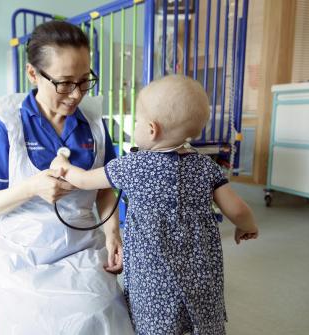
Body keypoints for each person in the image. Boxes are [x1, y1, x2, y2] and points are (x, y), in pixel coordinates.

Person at [51, 74, 259, 335]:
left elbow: (83, 180)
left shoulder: (133, 166)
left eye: (136, 121)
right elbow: (237, 209)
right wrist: (246, 227)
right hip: (201, 272)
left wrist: (64, 166)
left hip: (153, 279)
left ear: (151, 129)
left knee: (155, 325)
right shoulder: (207, 167)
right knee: (202, 319)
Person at [0, 21, 134, 335]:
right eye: (65, 83)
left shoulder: (94, 125)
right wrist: (32, 187)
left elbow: (104, 188)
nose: (76, 95)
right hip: (25, 254)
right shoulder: (7, 124)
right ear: (33, 74)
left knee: (100, 312)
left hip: (83, 244)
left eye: (85, 81)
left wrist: (114, 234)